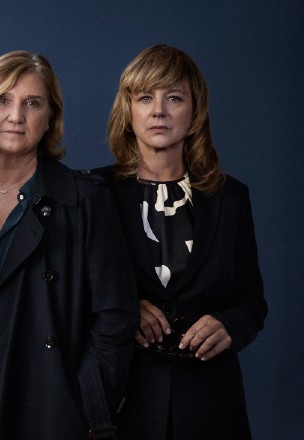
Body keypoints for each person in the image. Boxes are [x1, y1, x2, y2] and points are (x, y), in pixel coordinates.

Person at [0, 51, 138, 439]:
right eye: (2, 100)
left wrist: (87, 395)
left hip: (50, 389)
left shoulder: (84, 201)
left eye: (32, 103)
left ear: (50, 118)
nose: (16, 116)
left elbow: (116, 314)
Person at [100, 44, 267, 439]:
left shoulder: (230, 197)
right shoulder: (95, 194)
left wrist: (229, 325)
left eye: (174, 98)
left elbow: (251, 300)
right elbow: (68, 297)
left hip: (211, 401)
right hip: (123, 398)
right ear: (128, 111)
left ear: (195, 112)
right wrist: (123, 309)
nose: (159, 111)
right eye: (145, 98)